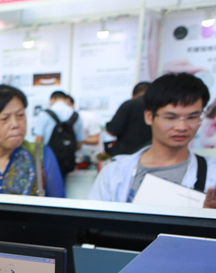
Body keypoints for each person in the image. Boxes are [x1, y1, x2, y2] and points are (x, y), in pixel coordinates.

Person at [89, 73, 216, 206]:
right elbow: (95, 217)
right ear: (149, 117)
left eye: (192, 117)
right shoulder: (114, 173)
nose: (182, 127)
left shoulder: (212, 173)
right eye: (170, 118)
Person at [0, 85, 65, 199]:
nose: (15, 124)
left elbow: (58, 204)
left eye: (20, 115)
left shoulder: (41, 155)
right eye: (4, 119)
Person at [32, 90, 82, 178]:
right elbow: (79, 144)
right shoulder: (76, 115)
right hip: (68, 162)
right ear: (66, 99)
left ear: (51, 100)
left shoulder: (44, 114)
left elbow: (38, 141)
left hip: (48, 160)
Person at [105, 82, 153, 156]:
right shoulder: (158, 106)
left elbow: (112, 131)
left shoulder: (129, 104)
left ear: (133, 95)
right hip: (150, 153)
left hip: (126, 154)